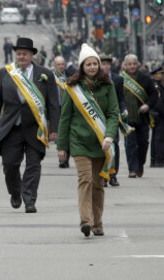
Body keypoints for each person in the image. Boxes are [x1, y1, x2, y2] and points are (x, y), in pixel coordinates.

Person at [0, 37, 60, 213]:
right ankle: (15, 192)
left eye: (25, 54)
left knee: (33, 165)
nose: (21, 57)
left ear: (31, 55)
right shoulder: (6, 72)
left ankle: (29, 200)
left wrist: (55, 129)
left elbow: (53, 104)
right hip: (11, 127)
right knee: (10, 165)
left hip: (36, 128)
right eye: (19, 54)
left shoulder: (45, 74)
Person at [57, 44, 118, 237]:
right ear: (82, 66)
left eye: (95, 64)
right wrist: (61, 146)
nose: (92, 67)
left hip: (101, 142)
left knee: (98, 184)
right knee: (85, 180)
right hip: (79, 142)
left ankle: (98, 222)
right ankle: (86, 221)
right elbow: (65, 117)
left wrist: (109, 135)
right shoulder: (73, 87)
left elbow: (113, 113)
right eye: (88, 64)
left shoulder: (108, 85)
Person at [121, 54, 157, 178]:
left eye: (134, 63)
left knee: (143, 143)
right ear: (125, 65)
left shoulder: (145, 78)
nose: (132, 66)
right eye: (129, 64)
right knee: (130, 144)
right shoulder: (120, 79)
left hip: (142, 117)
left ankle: (140, 164)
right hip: (127, 118)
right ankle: (132, 169)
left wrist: (148, 105)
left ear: (138, 64)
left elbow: (154, 95)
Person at [99, 55, 127, 186]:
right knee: (101, 146)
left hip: (112, 117)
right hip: (98, 117)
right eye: (103, 64)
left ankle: (113, 175)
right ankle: (102, 175)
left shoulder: (117, 79)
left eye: (107, 64)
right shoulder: (94, 78)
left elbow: (121, 98)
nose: (105, 66)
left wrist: (124, 109)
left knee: (114, 144)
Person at [150, 66, 164, 168]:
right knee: (160, 138)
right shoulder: (156, 86)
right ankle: (159, 160)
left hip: (156, 115)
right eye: (161, 74)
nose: (163, 75)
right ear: (155, 75)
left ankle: (154, 160)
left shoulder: (156, 85)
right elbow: (158, 103)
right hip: (159, 115)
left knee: (156, 138)